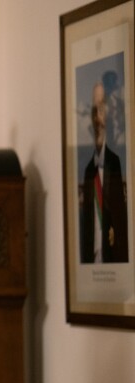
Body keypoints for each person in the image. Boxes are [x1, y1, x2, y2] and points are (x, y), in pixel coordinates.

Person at [80, 79, 129, 263]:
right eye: (94, 111)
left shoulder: (117, 163)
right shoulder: (87, 171)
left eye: (101, 109)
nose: (97, 119)